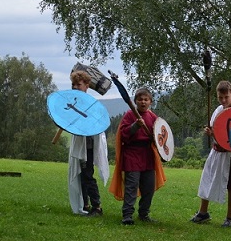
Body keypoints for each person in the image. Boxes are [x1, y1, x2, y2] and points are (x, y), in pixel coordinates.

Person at [190, 81, 231, 227]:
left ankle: (229, 218)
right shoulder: (218, 110)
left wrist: (215, 134)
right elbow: (216, 130)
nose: (223, 100)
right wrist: (210, 132)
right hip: (216, 152)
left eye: (226, 97)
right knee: (207, 179)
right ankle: (203, 213)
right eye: (220, 97)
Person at [109, 87, 166, 225]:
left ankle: (143, 213)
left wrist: (162, 150)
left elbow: (160, 136)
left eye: (146, 99)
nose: (143, 102)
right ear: (135, 101)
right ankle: (127, 215)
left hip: (148, 155)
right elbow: (124, 134)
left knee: (149, 187)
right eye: (140, 99)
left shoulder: (153, 118)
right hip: (132, 154)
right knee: (132, 186)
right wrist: (136, 125)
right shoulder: (130, 115)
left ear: (150, 102)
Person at [67, 70, 109, 216]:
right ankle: (85, 204)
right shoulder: (73, 103)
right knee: (81, 176)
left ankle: (97, 207)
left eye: (78, 84)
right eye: (73, 85)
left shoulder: (92, 105)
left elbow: (95, 124)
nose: (75, 87)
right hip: (79, 144)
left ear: (86, 85)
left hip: (89, 145)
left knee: (87, 175)